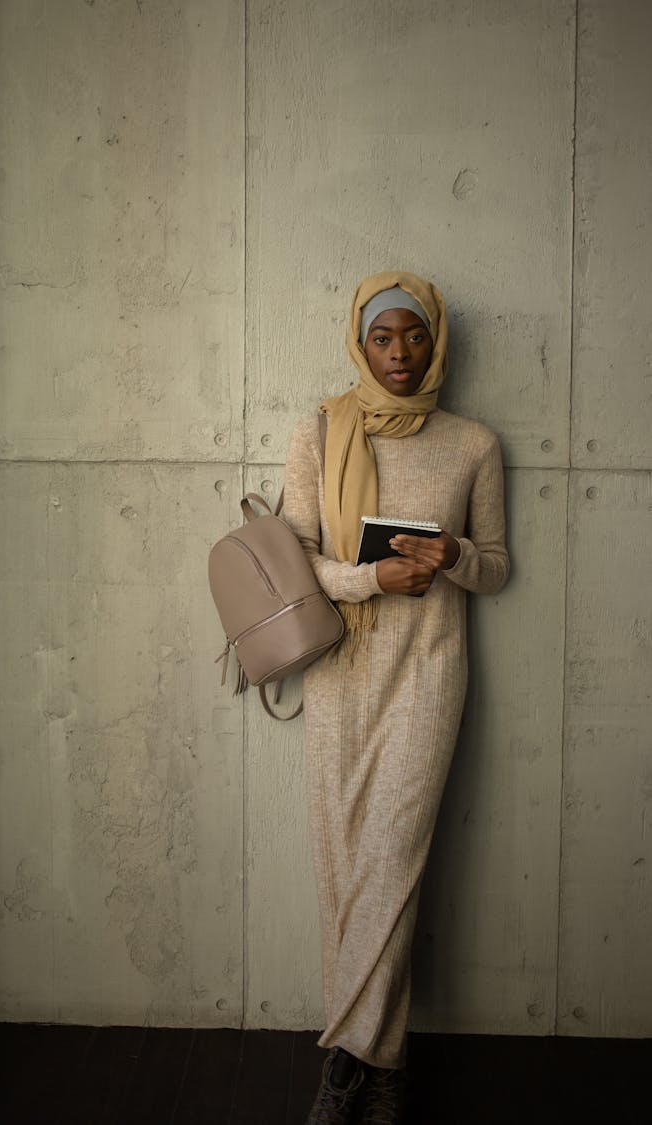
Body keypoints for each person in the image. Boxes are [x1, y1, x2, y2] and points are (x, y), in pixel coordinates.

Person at [282, 270, 510, 1123]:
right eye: (384, 338)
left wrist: (450, 556)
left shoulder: (475, 444)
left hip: (429, 672)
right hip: (341, 670)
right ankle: (380, 1065)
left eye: (415, 335)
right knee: (346, 868)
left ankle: (346, 1065)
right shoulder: (319, 431)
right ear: (361, 342)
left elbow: (497, 568)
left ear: (436, 338)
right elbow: (298, 556)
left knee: (394, 862)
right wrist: (370, 576)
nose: (401, 354)